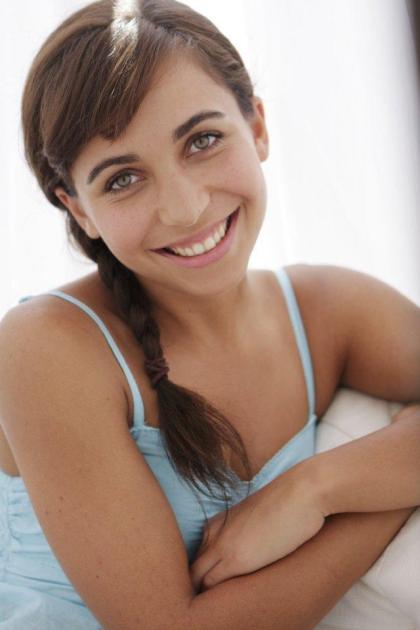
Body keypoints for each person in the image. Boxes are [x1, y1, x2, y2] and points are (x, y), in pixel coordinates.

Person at [0, 0, 419, 628]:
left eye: (202, 140)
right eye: (122, 179)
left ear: (257, 126)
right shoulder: (45, 345)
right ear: (79, 209)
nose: (185, 207)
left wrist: (316, 488)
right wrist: (377, 506)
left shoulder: (329, 311)